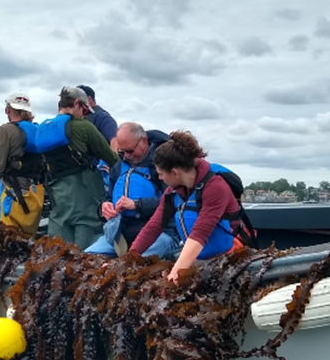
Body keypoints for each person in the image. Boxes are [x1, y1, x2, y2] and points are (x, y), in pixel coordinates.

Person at [130, 131, 247, 282]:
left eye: (160, 174)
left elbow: (200, 233)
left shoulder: (215, 187)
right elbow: (153, 227)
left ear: (174, 172)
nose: (160, 178)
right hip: (199, 257)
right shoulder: (172, 192)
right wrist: (128, 258)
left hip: (231, 256)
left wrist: (176, 272)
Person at [85, 122, 179, 258]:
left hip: (159, 233)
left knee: (137, 264)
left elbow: (174, 201)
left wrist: (136, 204)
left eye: (130, 150)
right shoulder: (118, 168)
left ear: (144, 141)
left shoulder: (162, 166)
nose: (127, 156)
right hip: (119, 233)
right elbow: (108, 197)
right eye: (122, 152)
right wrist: (103, 208)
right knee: (87, 258)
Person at [45, 86, 119, 249]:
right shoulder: (84, 127)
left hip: (57, 191)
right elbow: (112, 158)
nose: (85, 115)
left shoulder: (47, 129)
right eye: (85, 110)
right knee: (88, 236)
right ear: (77, 103)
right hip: (84, 191)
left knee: (60, 239)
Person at [0, 92, 45, 236]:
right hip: (35, 195)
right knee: (27, 244)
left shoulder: (5, 131)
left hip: (12, 197)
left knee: (6, 243)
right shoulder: (37, 131)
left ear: (8, 110)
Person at [77, 85, 118, 151]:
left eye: (77, 100)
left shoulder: (103, 117)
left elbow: (115, 141)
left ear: (89, 99)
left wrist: (113, 160)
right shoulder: (75, 118)